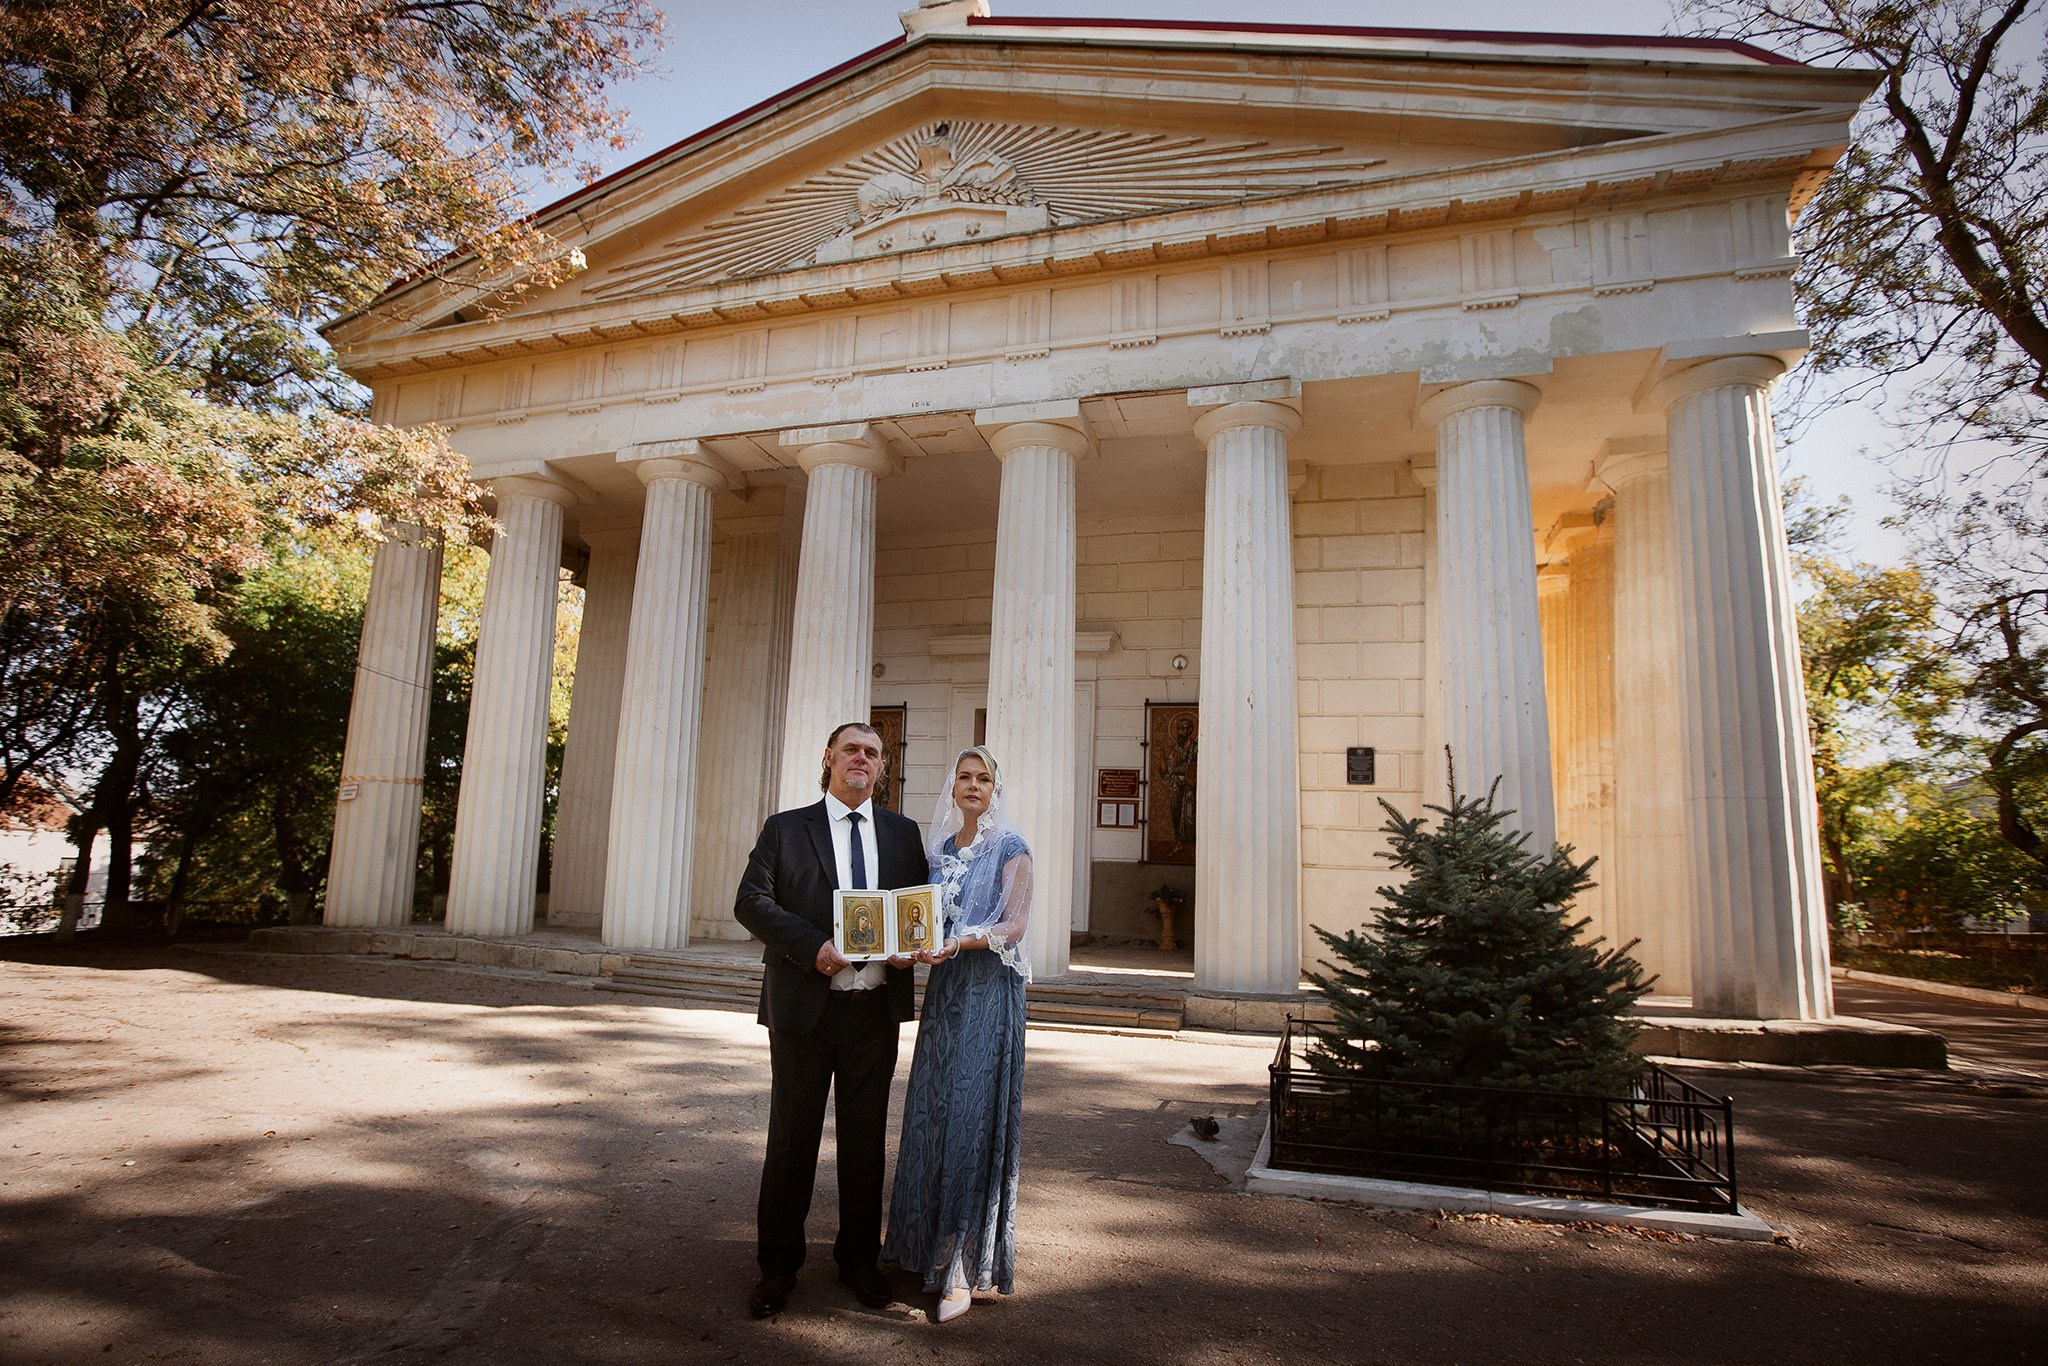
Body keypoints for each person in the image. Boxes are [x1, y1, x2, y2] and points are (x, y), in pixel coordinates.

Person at [734, 722, 930, 1319]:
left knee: (866, 1143)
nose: (862, 760)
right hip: (803, 1010)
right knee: (791, 1141)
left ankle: (859, 1262)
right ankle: (777, 1269)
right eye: (852, 750)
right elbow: (751, 901)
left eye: (873, 753)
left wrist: (912, 943)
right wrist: (813, 946)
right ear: (829, 758)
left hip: (873, 1012)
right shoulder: (786, 828)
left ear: (881, 768)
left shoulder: (902, 833)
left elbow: (918, 908)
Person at [883, 746, 1031, 1324]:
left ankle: (963, 1267)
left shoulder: (1012, 849)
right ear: (953, 787)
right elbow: (922, 922)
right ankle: (919, 1246)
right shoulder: (940, 853)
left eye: (984, 778)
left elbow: (1014, 926)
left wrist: (963, 940)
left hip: (989, 994)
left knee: (970, 1119)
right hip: (945, 996)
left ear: (997, 788)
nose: (973, 786)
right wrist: (905, 949)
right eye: (964, 777)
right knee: (931, 1112)